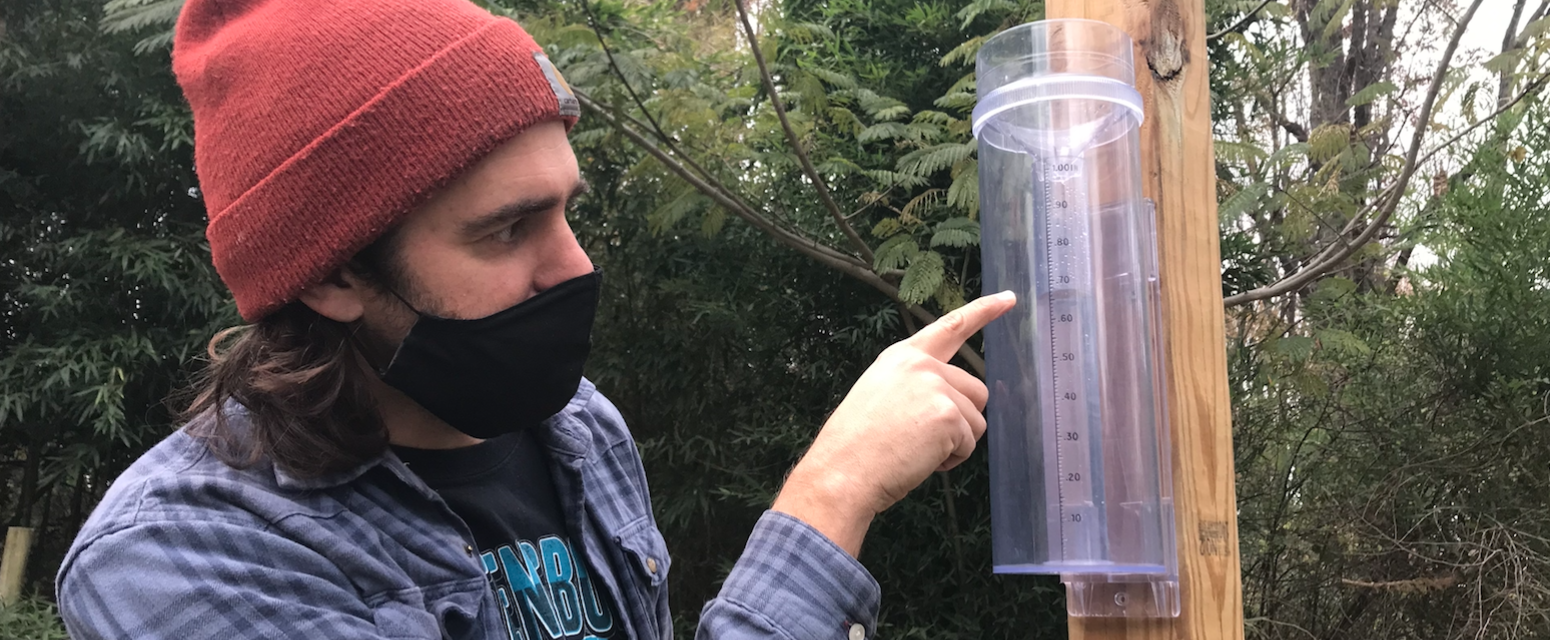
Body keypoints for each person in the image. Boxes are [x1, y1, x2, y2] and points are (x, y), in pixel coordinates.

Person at [54, 0, 1014, 638]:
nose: (575, 265)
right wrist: (831, 499)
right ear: (332, 274)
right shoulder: (180, 559)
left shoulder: (578, 430)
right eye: (507, 229)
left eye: (566, 208)